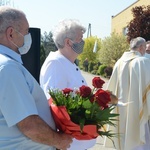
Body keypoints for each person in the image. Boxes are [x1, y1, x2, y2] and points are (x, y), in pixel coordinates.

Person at [0, 6, 72, 150]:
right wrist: (59, 141)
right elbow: (28, 125)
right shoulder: (8, 68)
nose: (28, 36)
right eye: (26, 31)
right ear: (11, 34)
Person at [40, 19, 96, 150]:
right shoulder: (55, 64)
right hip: (69, 144)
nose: (83, 42)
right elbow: (56, 107)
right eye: (80, 38)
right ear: (68, 42)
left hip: (77, 142)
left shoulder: (68, 63)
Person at [105, 37, 150, 150]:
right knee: (138, 140)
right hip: (136, 108)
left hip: (120, 109)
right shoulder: (142, 61)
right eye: (145, 47)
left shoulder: (119, 62)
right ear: (141, 47)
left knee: (123, 139)